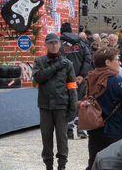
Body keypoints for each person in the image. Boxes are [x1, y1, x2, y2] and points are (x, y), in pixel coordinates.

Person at [32, 33, 77, 170]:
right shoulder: (39, 62)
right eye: (50, 43)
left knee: (62, 138)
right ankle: (49, 165)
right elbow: (38, 78)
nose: (53, 45)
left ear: (59, 44)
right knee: (46, 137)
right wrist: (56, 66)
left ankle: (62, 165)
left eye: (56, 43)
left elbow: (72, 87)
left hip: (61, 105)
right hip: (45, 106)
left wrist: (73, 107)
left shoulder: (68, 64)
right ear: (46, 45)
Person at [59, 22, 92, 139]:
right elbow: (87, 59)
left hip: (66, 80)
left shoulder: (59, 44)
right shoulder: (81, 43)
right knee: (80, 102)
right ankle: (81, 130)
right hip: (80, 79)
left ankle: (68, 130)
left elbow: (58, 62)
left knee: (68, 103)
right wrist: (82, 75)